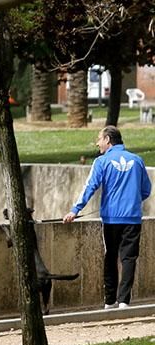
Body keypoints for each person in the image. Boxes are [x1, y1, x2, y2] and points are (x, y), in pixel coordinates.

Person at [63, 125, 151, 308]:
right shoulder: (137, 160)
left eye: (99, 139)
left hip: (111, 219)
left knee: (110, 256)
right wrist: (132, 202)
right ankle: (124, 301)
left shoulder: (101, 162)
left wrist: (75, 210)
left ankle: (110, 301)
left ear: (108, 140)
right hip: (133, 218)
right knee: (129, 259)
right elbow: (146, 190)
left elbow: (89, 187)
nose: (98, 143)